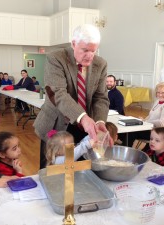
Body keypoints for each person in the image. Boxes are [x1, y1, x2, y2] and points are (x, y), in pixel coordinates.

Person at [33, 24, 109, 169]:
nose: (90, 55)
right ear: (73, 44)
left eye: (93, 50)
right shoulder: (56, 58)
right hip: (57, 123)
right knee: (52, 170)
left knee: (79, 169)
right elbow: (58, 93)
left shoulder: (101, 64)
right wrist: (82, 117)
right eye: (85, 50)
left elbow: (100, 97)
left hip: (84, 127)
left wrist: (100, 121)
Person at [128, 82, 164, 147]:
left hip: (161, 133)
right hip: (151, 128)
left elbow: (162, 123)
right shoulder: (158, 101)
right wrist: (143, 119)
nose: (160, 95)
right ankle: (124, 149)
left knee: (131, 133)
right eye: (158, 92)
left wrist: (145, 122)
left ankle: (124, 152)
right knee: (129, 129)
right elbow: (150, 116)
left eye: (163, 93)